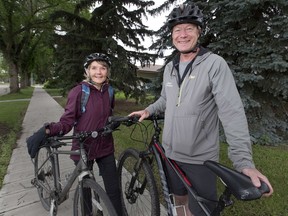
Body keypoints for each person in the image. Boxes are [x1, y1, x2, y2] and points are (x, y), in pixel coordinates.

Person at [129, 2, 273, 216]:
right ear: (172, 35)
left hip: (199, 158)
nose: (183, 34)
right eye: (177, 30)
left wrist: (244, 162)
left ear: (199, 32)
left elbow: (231, 113)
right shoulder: (170, 66)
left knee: (202, 211)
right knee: (178, 199)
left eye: (189, 28)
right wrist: (149, 110)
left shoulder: (214, 64)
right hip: (170, 153)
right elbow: (165, 98)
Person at [27, 53, 123, 215]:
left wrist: (113, 122)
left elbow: (108, 114)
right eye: (94, 68)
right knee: (85, 188)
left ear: (108, 72)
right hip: (83, 147)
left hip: (105, 146)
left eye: (103, 68)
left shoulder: (110, 91)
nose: (98, 72)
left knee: (113, 189)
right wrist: (48, 130)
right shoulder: (79, 92)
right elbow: (67, 121)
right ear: (86, 71)